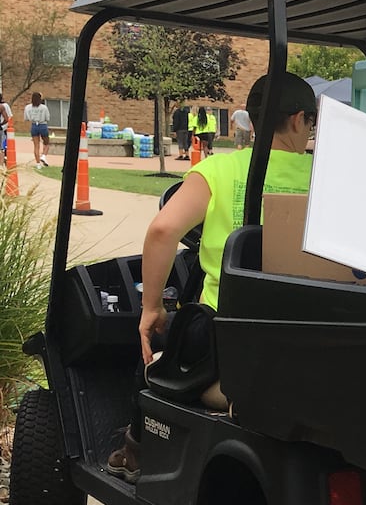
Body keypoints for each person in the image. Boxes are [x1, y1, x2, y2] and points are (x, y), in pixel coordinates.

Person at [107, 73, 318, 482]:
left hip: (226, 336)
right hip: (309, 333)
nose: (310, 129)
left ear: (253, 121)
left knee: (153, 354)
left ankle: (135, 452)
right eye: (311, 120)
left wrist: (151, 308)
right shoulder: (327, 179)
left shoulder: (219, 170)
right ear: (296, 120)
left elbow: (163, 230)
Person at [23, 92, 51, 167]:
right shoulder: (44, 107)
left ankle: (38, 164)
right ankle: (43, 156)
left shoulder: (28, 107)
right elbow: (47, 118)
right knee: (47, 142)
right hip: (43, 125)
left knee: (36, 146)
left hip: (34, 125)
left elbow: (26, 118)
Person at [0, 93, 12, 159]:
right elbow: (8, 118)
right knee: (1, 148)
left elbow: (8, 117)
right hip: (2, 127)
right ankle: (1, 165)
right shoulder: (3, 106)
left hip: (3, 127)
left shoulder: (4, 106)